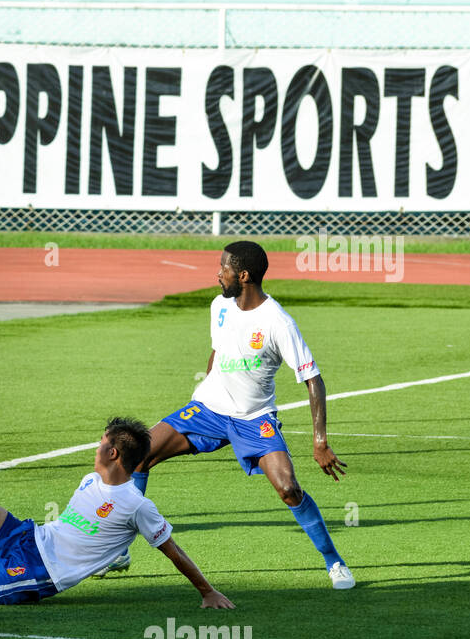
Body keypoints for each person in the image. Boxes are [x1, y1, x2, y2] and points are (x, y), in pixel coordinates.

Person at [131, 240, 355, 590]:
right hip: (207, 410)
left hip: (253, 419)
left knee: (288, 488)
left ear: (244, 275)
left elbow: (314, 381)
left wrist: (320, 442)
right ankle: (119, 549)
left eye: (224, 268)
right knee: (137, 454)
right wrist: (204, 391)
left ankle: (334, 562)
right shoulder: (219, 305)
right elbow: (218, 351)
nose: (218, 273)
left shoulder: (277, 321)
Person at [0, 417, 234, 609]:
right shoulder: (91, 478)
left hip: (42, 570)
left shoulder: (137, 504)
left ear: (113, 453)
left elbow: (173, 551)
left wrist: (208, 591)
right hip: (27, 535)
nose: (96, 448)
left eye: (100, 444)